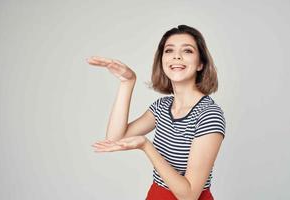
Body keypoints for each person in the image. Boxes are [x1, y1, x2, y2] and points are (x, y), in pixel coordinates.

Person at [88, 25, 226, 200]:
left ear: (200, 64)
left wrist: (147, 146)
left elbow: (189, 195)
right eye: (169, 50)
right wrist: (127, 82)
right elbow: (114, 139)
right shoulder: (162, 107)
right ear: (162, 61)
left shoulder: (209, 115)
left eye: (188, 51)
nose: (176, 56)